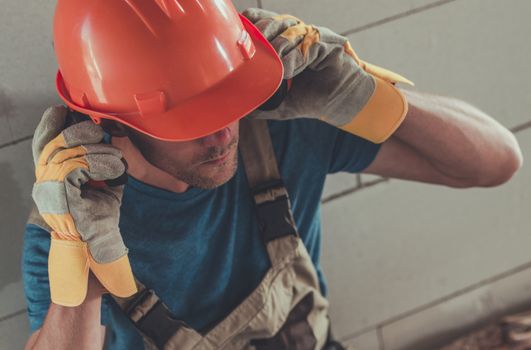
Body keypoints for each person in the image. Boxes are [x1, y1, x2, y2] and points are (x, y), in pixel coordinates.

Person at [22, 1, 523, 349]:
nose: (221, 136)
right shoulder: (70, 226)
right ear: (111, 121)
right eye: (189, 122)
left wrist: (368, 93)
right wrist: (83, 271)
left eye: (229, 102)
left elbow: (496, 162)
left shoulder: (282, 132)